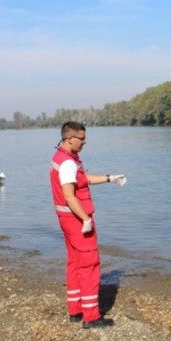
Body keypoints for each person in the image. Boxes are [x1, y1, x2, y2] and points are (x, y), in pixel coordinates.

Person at [50, 121, 126, 329]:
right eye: (82, 138)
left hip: (67, 220)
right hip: (76, 220)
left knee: (74, 262)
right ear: (70, 139)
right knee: (90, 264)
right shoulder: (67, 163)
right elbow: (69, 195)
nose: (85, 142)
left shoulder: (64, 157)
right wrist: (85, 219)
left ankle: (75, 311)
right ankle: (91, 316)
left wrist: (110, 178)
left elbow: (83, 180)